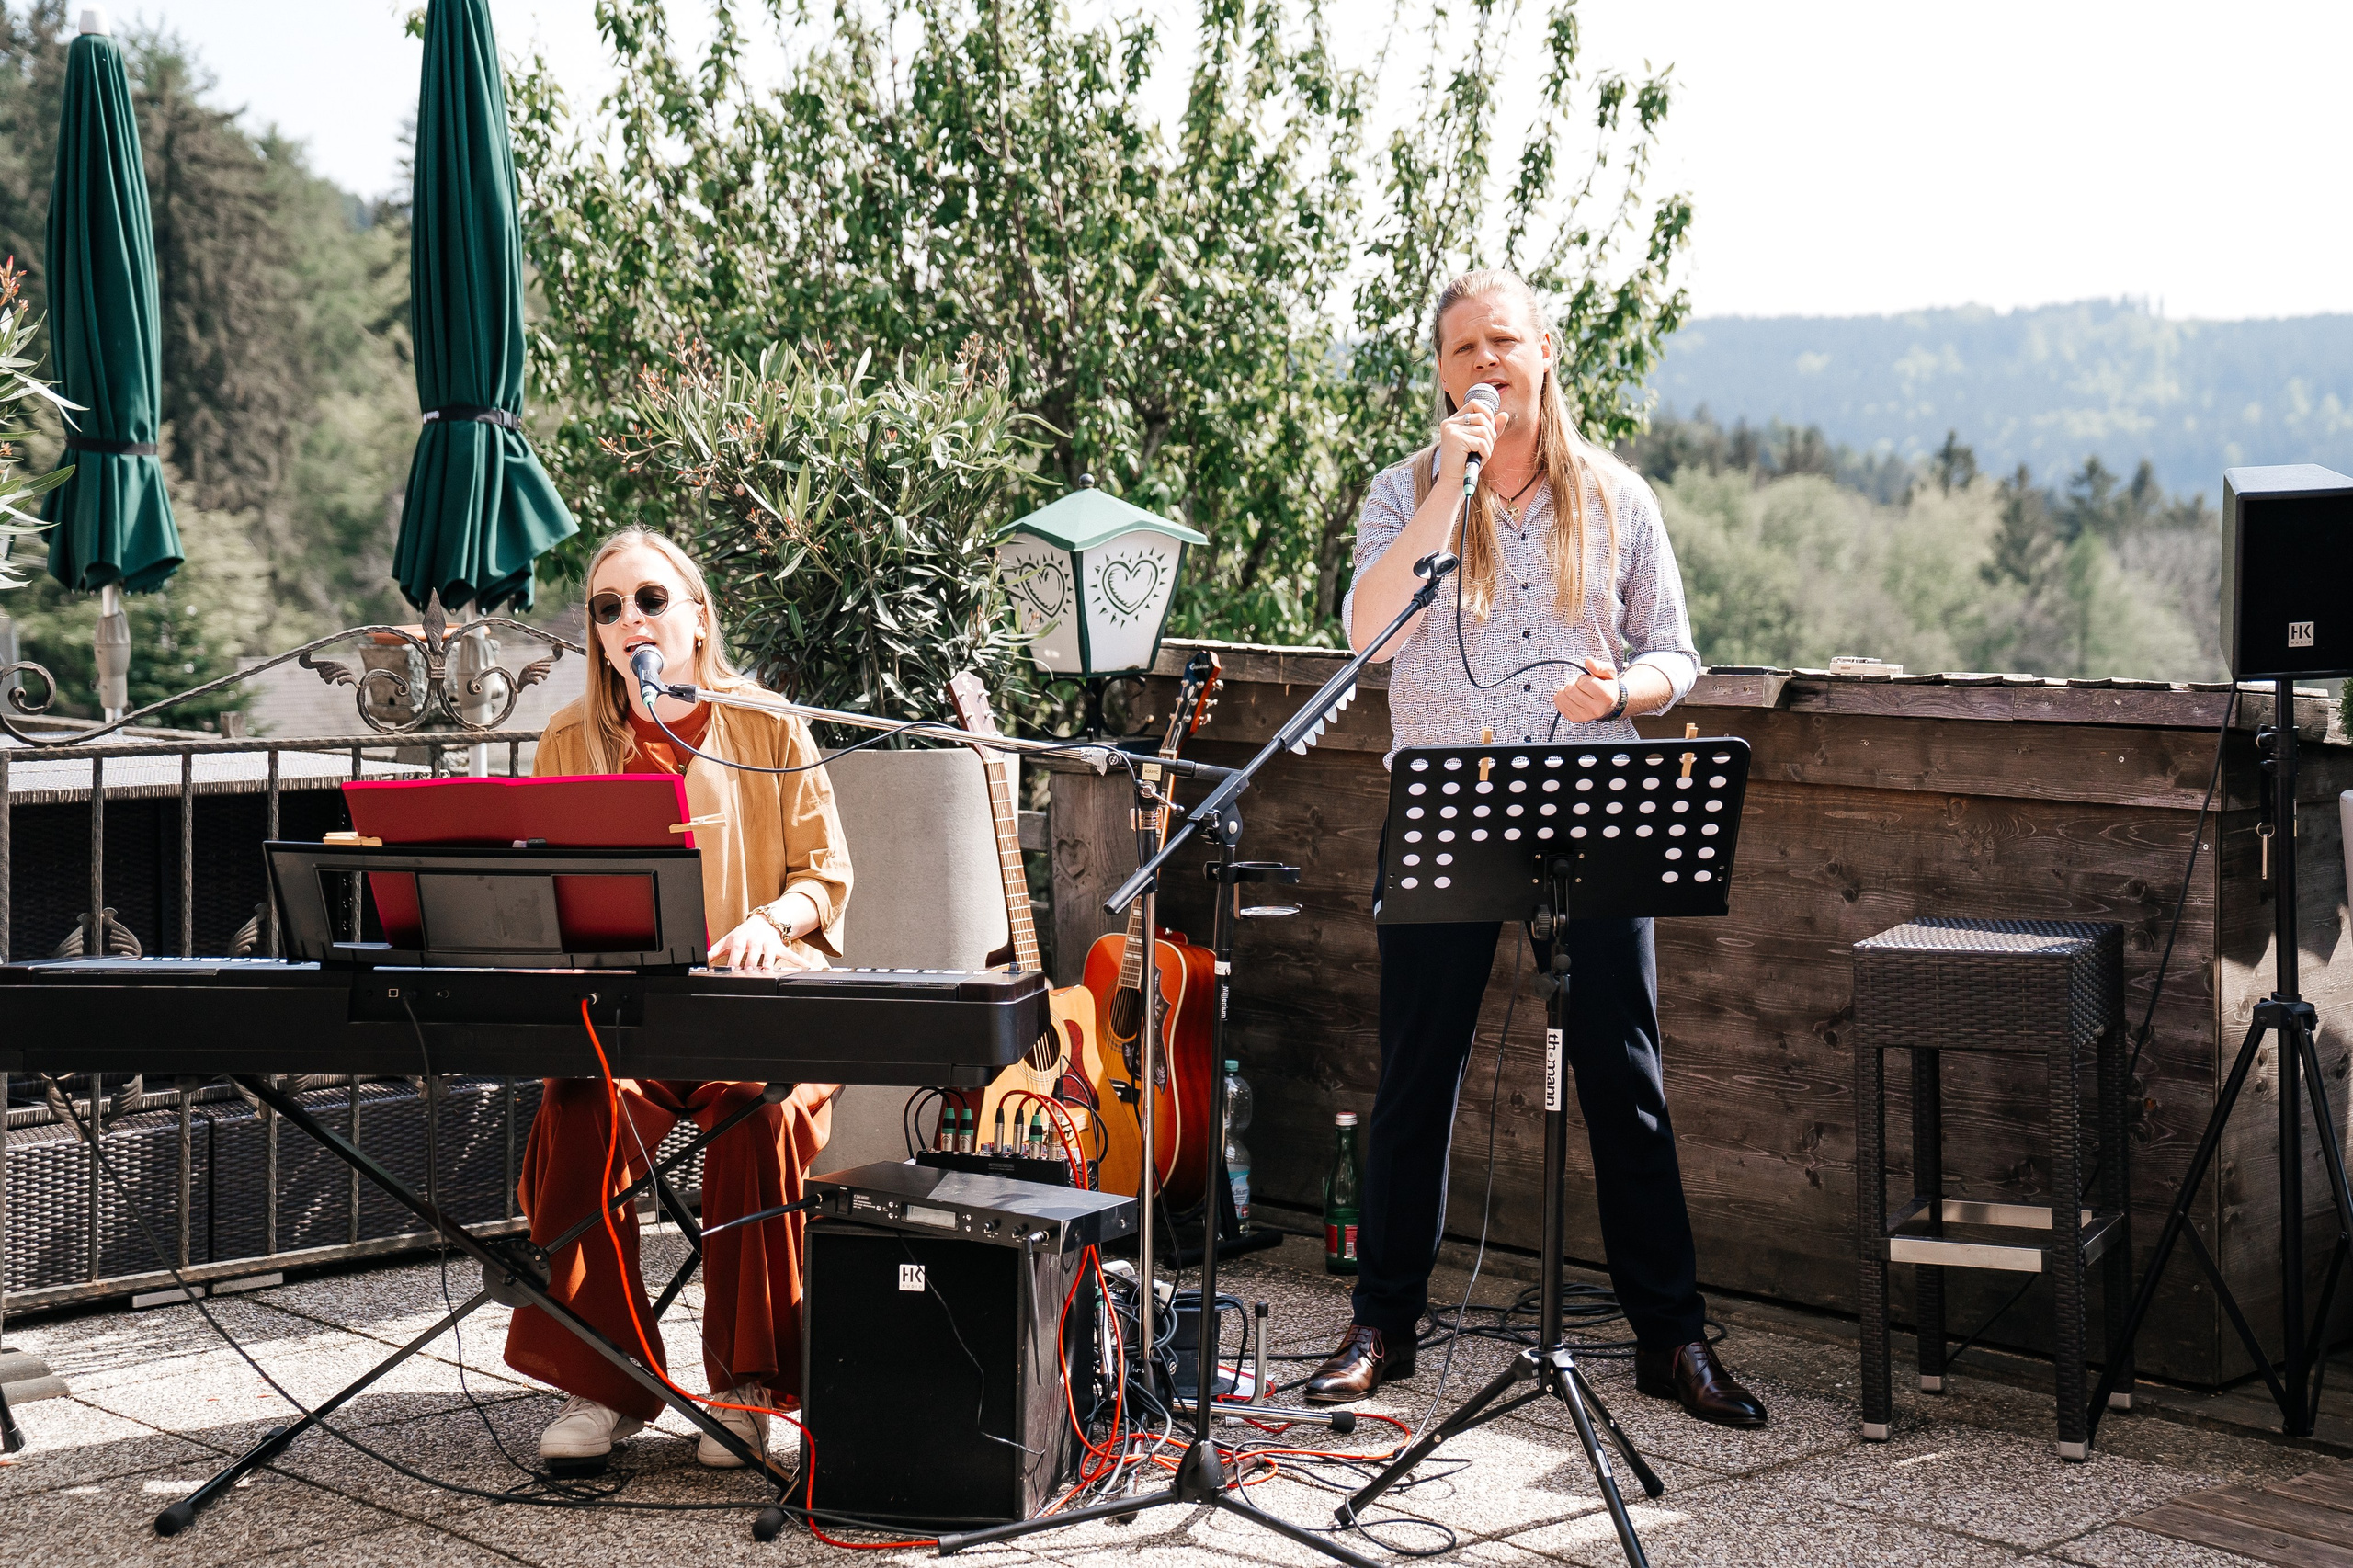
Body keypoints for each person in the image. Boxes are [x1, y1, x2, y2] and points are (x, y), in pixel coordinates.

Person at [1302, 268, 1767, 1429]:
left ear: (1544, 352)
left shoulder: (1614, 496)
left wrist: (1625, 691)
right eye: (1463, 349)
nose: (1486, 364)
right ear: (1440, 372)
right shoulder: (1400, 492)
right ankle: (1381, 1325)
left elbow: (1676, 654)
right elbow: (1365, 637)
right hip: (1447, 806)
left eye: (1503, 342)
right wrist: (1447, 485)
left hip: (1589, 804)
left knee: (1624, 1073)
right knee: (1416, 1074)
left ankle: (1671, 1337)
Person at [504, 526, 855, 1469]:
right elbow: (545, 889)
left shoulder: (768, 724)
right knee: (577, 1110)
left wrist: (772, 922)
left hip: (759, 1010)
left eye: (651, 599)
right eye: (608, 607)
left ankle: (746, 1387)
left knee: (754, 1114)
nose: (631, 619)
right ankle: (606, 1378)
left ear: (697, 618)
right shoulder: (569, 739)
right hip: (628, 1020)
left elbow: (825, 875)